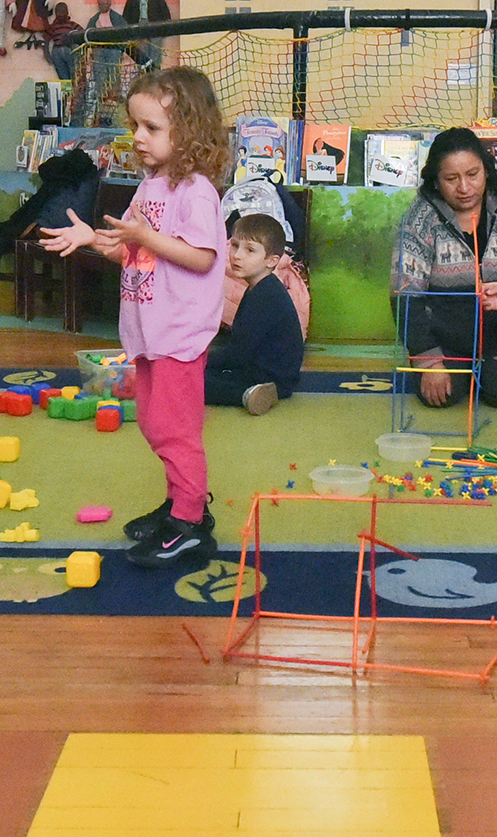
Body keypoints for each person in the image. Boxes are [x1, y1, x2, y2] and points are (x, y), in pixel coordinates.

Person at [39, 65, 228, 569]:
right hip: (148, 328)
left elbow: (202, 257)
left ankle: (190, 524)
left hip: (180, 332)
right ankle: (181, 504)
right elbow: (133, 253)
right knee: (153, 422)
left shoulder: (196, 192)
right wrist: (95, 241)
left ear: (188, 131)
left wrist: (143, 237)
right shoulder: (151, 188)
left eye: (152, 128)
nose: (138, 138)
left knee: (174, 429)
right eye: (136, 126)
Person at [390, 127, 497, 411]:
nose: (465, 188)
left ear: (487, 170)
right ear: (435, 180)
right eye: (451, 179)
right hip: (445, 342)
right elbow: (404, 296)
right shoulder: (419, 217)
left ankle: (496, 367)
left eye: (473, 174)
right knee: (438, 399)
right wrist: (429, 359)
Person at [204, 214, 302, 415]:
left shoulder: (266, 296)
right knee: (196, 372)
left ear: (271, 260)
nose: (237, 255)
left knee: (191, 380)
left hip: (269, 378)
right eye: (235, 246)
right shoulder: (259, 288)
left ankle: (248, 394)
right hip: (263, 371)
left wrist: (200, 359)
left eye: (250, 250)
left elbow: (238, 354)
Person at [122, 0, 171, 68]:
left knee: (156, 52)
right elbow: (126, 16)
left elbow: (165, 12)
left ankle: (156, 72)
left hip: (155, 26)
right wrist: (129, 32)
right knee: (142, 53)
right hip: (139, 27)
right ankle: (144, 74)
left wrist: (165, 29)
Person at [43, 1, 83, 79]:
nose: (61, 14)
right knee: (62, 75)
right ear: (55, 13)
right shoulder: (52, 26)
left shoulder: (72, 25)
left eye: (63, 12)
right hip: (56, 52)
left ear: (67, 12)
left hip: (69, 50)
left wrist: (79, 52)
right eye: (58, 12)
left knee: (74, 73)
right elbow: (45, 40)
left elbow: (82, 34)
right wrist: (46, 53)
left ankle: (74, 89)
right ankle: (66, 89)